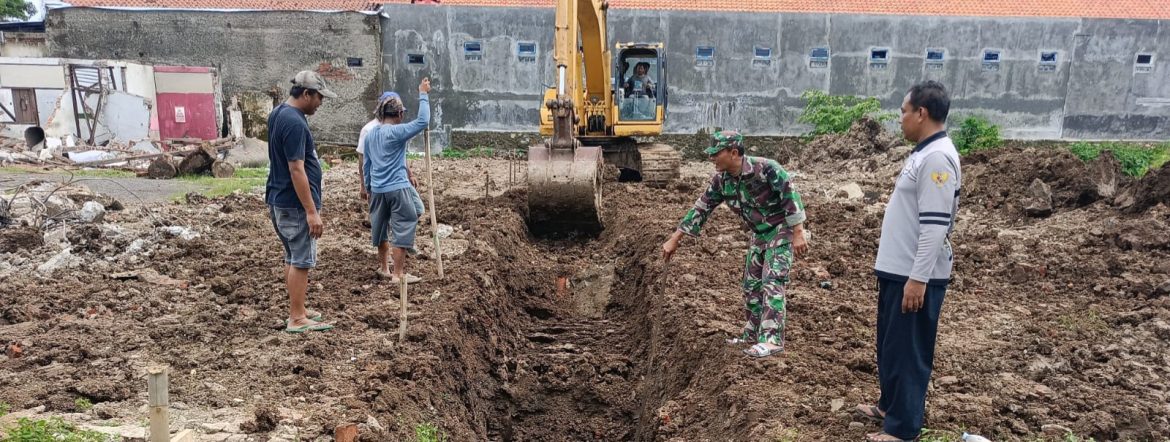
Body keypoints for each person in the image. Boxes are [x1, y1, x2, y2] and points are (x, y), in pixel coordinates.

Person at [855, 80, 961, 442]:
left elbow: (935, 226)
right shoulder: (922, 152)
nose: (899, 119)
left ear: (922, 113)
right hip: (896, 270)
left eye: (903, 111)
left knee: (909, 350)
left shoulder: (937, 158)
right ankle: (889, 405)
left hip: (912, 276)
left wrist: (918, 278)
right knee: (891, 345)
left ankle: (902, 429)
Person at [661, 130, 809, 358]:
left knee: (772, 281)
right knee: (751, 285)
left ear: (733, 153)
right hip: (759, 234)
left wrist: (798, 232)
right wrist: (675, 239)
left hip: (782, 230)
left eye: (715, 153)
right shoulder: (722, 181)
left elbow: (790, 196)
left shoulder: (767, 168)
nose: (711, 158)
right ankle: (752, 334)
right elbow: (702, 207)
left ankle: (771, 340)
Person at [265, 71, 337, 333]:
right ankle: (296, 318)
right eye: (319, 97)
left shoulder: (279, 113)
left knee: (292, 256)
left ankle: (299, 309)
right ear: (306, 93)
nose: (320, 102)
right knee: (302, 260)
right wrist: (311, 211)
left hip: (279, 198)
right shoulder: (294, 123)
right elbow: (296, 168)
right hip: (294, 204)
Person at [363, 78, 431, 284]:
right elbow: (423, 121)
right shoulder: (396, 132)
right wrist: (423, 94)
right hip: (397, 188)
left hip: (377, 188)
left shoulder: (371, 134)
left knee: (381, 227)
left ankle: (384, 268)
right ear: (399, 114)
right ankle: (398, 274)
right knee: (404, 223)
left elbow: (367, 164)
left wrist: (368, 188)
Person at [356, 91, 426, 256]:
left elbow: (371, 163)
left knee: (415, 209)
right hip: (393, 186)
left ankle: (399, 243)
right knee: (396, 223)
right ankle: (398, 254)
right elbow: (363, 160)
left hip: (383, 186)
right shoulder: (372, 131)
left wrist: (409, 173)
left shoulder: (381, 132)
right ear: (399, 113)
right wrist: (364, 186)